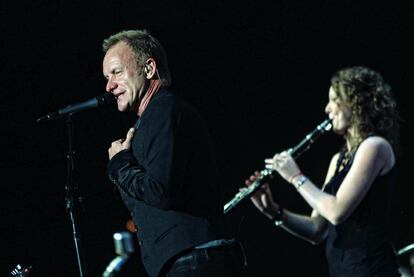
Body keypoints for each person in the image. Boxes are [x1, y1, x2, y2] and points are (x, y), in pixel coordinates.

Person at [103, 29, 246, 277]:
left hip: (195, 259)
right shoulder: (148, 121)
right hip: (181, 260)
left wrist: (120, 164)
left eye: (117, 72)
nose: (109, 86)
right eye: (106, 77)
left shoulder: (164, 110)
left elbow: (160, 192)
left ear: (149, 69)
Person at [246, 66, 400, 276]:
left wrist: (295, 176)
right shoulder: (338, 159)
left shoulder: (375, 146)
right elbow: (317, 230)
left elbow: (337, 212)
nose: (327, 108)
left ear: (356, 102)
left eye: (334, 99)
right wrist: (274, 211)